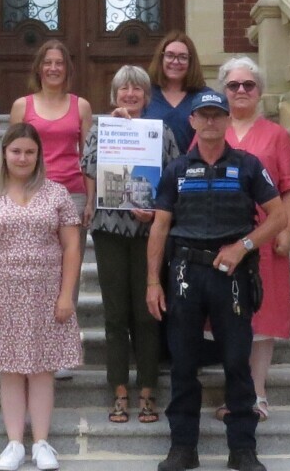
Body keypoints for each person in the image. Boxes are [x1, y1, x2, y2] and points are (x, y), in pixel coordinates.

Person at [147, 91, 288, 471]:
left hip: (233, 275)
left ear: (227, 121)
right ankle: (182, 448)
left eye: (217, 116)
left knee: (236, 361)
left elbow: (277, 217)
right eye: (204, 116)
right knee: (182, 363)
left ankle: (242, 449)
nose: (211, 122)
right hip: (185, 273)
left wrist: (243, 246)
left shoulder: (248, 165)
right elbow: (160, 226)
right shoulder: (176, 169)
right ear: (192, 121)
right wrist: (152, 282)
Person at [0, 122, 83, 471]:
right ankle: (15, 443)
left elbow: (72, 246)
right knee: (10, 370)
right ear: (4, 153)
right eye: (16, 150)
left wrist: (66, 295)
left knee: (43, 369)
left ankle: (43, 443)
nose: (22, 157)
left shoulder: (57, 194)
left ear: (38, 156)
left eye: (29, 152)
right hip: (2, 292)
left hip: (46, 293)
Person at [80, 65, 182, 425]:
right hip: (109, 229)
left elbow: (174, 177)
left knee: (147, 314)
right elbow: (88, 166)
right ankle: (120, 391)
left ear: (146, 95)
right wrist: (115, 128)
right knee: (115, 315)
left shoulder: (161, 131)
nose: (130, 95)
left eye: (137, 89)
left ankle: (148, 392)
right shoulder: (101, 128)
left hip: (148, 233)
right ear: (114, 95)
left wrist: (155, 209)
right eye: (123, 89)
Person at [216, 56, 290, 421]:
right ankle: (233, 391)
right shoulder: (211, 129)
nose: (240, 91)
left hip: (265, 237)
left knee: (262, 315)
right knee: (224, 315)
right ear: (223, 91)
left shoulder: (277, 134)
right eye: (233, 85)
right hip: (219, 236)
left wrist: (287, 230)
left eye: (248, 85)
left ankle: (257, 392)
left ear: (259, 91)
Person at [9, 39, 93, 328]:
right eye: (48, 63)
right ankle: (32, 335)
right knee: (33, 266)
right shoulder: (23, 106)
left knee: (70, 268)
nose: (53, 68)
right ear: (39, 68)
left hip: (72, 194)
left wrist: (91, 199)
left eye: (59, 63)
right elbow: (13, 155)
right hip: (33, 194)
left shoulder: (80, 106)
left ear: (67, 68)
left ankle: (65, 341)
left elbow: (88, 157)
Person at [145, 32, 206, 154]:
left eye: (183, 57)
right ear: (161, 58)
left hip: (193, 170)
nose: (175, 61)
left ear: (191, 61)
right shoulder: (145, 93)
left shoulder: (204, 96)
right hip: (151, 170)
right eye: (169, 55)